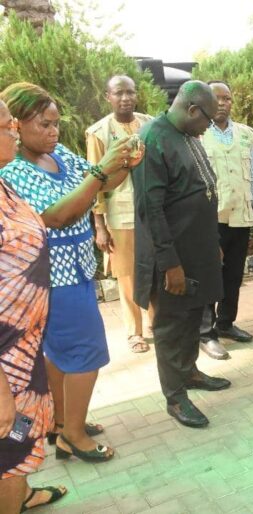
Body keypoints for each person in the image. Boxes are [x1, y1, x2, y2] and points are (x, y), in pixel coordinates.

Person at [0, 82, 137, 464]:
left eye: (56, 123)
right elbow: (58, 216)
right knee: (86, 353)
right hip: (53, 278)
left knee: (59, 355)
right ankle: (73, 436)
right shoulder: (14, 170)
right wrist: (101, 172)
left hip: (76, 269)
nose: (53, 131)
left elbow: (100, 180)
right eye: (43, 124)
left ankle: (62, 423)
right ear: (18, 123)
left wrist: (122, 165)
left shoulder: (58, 154)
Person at [132, 80, 230, 429]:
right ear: (192, 110)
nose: (210, 126)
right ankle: (175, 397)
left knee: (193, 318)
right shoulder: (153, 139)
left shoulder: (189, 135)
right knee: (172, 326)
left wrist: (211, 240)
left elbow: (200, 192)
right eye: (208, 118)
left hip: (197, 249)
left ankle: (189, 373)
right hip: (172, 257)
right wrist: (170, 264)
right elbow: (150, 209)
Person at [0, 99, 68, 514]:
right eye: (3, 120)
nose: (12, 125)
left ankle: (22, 496)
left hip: (23, 349)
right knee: (8, 452)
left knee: (22, 440)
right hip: (6, 362)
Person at [197, 81, 253, 360]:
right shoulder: (199, 134)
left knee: (233, 275)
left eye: (227, 98)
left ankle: (226, 323)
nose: (222, 103)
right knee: (209, 275)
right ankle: (205, 332)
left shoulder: (245, 135)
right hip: (211, 219)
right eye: (217, 98)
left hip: (241, 216)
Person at [87, 75, 154, 354]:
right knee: (126, 275)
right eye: (119, 93)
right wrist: (100, 226)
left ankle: (156, 323)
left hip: (150, 211)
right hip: (120, 214)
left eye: (130, 92)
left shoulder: (149, 124)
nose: (125, 97)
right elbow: (94, 180)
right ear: (108, 97)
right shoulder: (98, 132)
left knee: (153, 268)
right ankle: (133, 332)